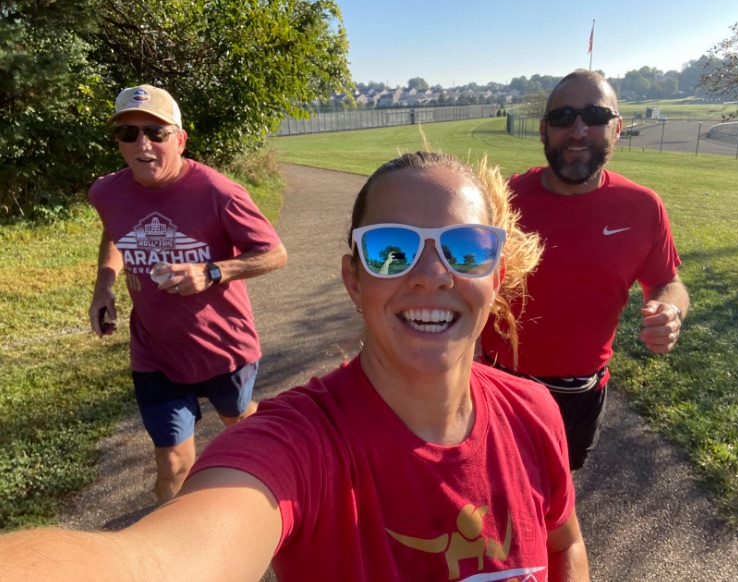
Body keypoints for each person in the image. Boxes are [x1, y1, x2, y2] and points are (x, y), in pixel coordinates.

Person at [0, 152, 590, 581]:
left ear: (496, 274)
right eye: (392, 250)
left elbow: (564, 545)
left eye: (466, 250)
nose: (432, 274)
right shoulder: (298, 446)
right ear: (353, 280)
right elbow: (152, 564)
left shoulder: (533, 411)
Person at [481, 69, 690, 471]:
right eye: (562, 118)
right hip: (499, 382)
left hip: (579, 395)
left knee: (558, 486)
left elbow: (667, 281)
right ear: (543, 131)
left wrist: (670, 309)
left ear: (617, 128)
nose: (578, 131)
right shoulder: (502, 201)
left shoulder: (643, 207)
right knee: (494, 486)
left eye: (595, 116)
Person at [87, 84, 288, 503]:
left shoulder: (218, 192)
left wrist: (211, 271)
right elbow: (115, 229)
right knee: (174, 464)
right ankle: (175, 540)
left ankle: (280, 485)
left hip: (222, 348)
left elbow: (274, 253)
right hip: (155, 353)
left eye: (156, 133)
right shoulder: (107, 193)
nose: (142, 145)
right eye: (128, 133)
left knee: (241, 427)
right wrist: (104, 283)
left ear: (180, 140)